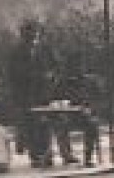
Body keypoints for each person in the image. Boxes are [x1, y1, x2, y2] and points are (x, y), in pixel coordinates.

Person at [10, 19, 74, 166]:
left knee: (61, 120)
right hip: (28, 95)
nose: (32, 37)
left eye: (34, 33)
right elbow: (14, 75)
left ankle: (66, 153)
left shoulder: (46, 49)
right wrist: (35, 77)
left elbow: (57, 67)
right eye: (28, 34)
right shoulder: (16, 52)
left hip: (48, 93)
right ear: (23, 35)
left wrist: (52, 77)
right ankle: (39, 156)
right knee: (34, 125)